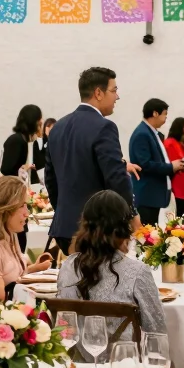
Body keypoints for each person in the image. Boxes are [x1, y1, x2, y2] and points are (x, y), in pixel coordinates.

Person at [57, 190, 166, 359]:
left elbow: (63, 328)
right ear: (123, 227)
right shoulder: (137, 272)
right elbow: (156, 329)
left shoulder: (68, 266)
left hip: (76, 365)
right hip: (123, 365)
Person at [45, 67, 141, 255]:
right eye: (114, 90)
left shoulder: (58, 127)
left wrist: (65, 212)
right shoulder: (104, 127)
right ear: (98, 93)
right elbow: (116, 178)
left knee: (74, 274)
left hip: (64, 227)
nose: (117, 97)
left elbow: (50, 180)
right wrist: (131, 215)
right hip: (95, 231)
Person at [129, 99, 184, 226]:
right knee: (148, 233)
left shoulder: (153, 133)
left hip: (155, 196)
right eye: (165, 114)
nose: (166, 117)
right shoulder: (142, 134)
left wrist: (174, 166)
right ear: (155, 113)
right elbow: (145, 165)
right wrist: (171, 167)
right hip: (148, 196)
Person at [0, 104, 43, 253]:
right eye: (40, 122)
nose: (41, 125)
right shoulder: (17, 140)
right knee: (19, 239)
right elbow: (6, 169)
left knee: (21, 238)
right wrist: (21, 171)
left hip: (16, 196)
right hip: (11, 198)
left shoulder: (23, 140)